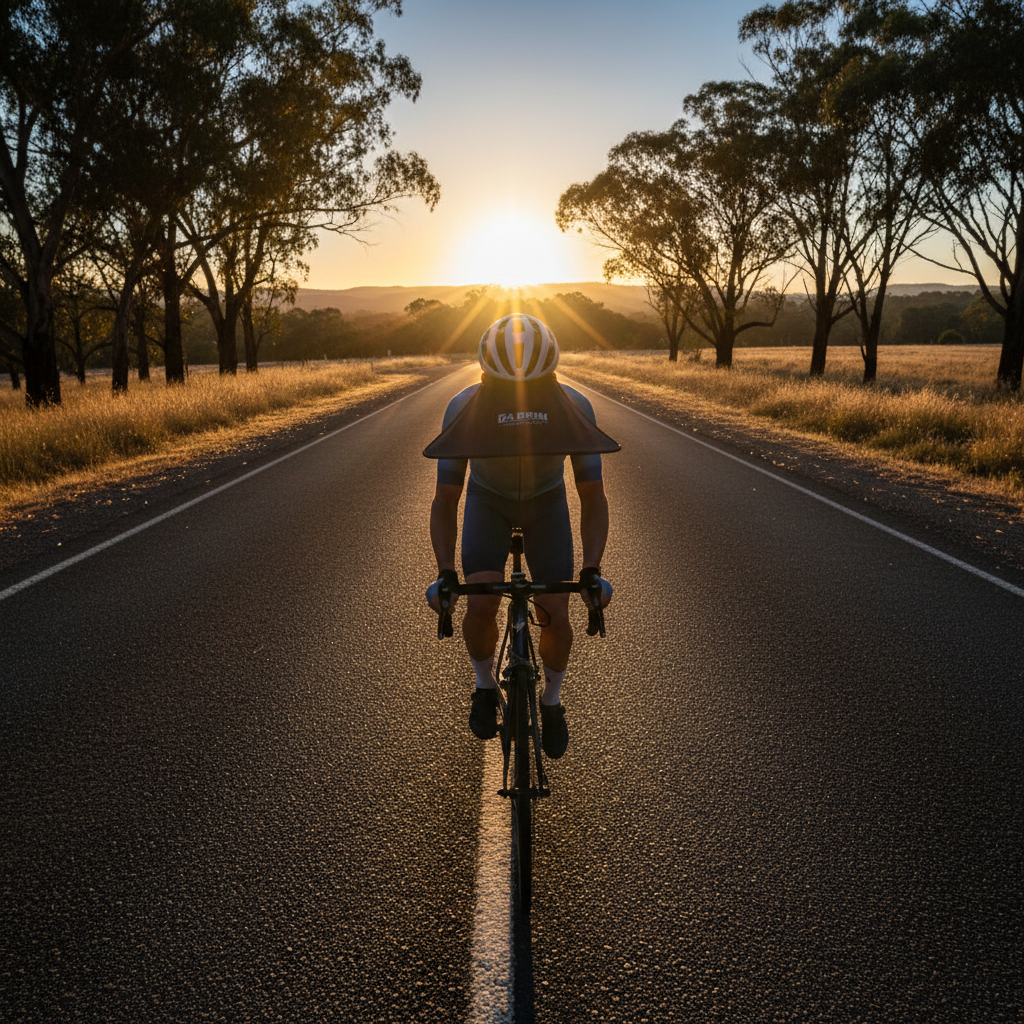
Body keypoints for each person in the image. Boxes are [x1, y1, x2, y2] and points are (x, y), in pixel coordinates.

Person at [426, 314, 612, 759]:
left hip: (547, 502)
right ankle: (484, 685)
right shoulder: (463, 407)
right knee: (480, 603)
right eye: (501, 390)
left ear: (552, 377)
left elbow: (592, 496)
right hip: (487, 501)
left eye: (535, 388)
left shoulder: (575, 406)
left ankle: (551, 701)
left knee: (556, 609)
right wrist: (446, 573)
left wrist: (592, 570)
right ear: (485, 377)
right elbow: (446, 499)